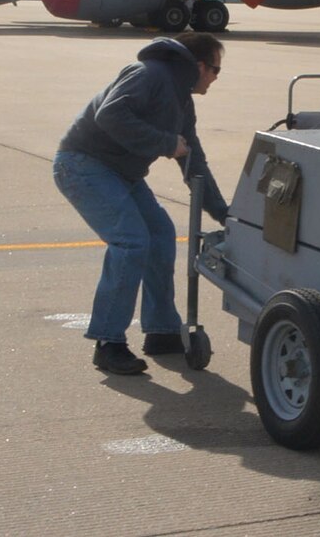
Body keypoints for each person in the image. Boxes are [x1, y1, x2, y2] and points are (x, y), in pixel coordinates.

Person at [53, 32, 230, 375]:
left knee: (161, 234)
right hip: (82, 164)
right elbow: (110, 115)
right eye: (216, 70)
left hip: (121, 173)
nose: (216, 78)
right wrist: (165, 142)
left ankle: (161, 332)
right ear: (199, 66)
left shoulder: (181, 102)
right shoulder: (149, 74)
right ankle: (109, 343)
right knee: (132, 242)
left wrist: (224, 213)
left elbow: (193, 160)